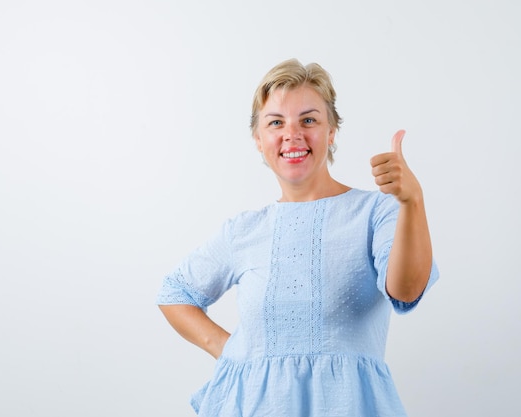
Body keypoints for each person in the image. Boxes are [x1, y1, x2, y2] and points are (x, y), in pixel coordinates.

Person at [157, 58, 439, 416]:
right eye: (276, 122)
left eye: (309, 120)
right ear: (259, 140)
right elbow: (173, 292)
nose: (292, 134)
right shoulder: (243, 230)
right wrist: (229, 350)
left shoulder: (376, 212)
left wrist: (413, 201)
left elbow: (407, 290)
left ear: (331, 131)